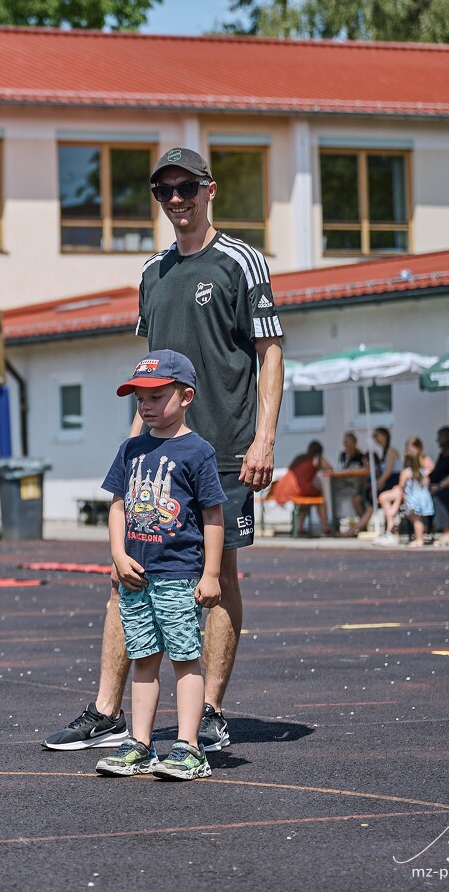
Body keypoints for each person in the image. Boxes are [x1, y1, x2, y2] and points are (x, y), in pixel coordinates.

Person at [42, 146, 283, 755]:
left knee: (218, 575)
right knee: (126, 572)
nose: (176, 199)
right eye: (164, 191)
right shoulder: (152, 272)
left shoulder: (242, 261)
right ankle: (107, 711)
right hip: (155, 453)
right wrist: (131, 448)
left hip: (225, 449)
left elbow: (270, 353)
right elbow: (150, 372)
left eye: (186, 188)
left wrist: (264, 438)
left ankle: (210, 712)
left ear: (210, 190)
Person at [94, 351, 224, 781]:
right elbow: (118, 505)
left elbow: (213, 516)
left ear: (186, 397)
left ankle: (189, 748)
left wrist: (210, 574)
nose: (145, 405)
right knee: (144, 659)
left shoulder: (198, 452)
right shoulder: (131, 449)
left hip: (178, 576)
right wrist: (118, 555)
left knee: (185, 659)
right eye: (140, 398)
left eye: (156, 396)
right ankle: (140, 744)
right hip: (137, 579)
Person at [269, 441, 331, 537]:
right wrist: (322, 459)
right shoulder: (316, 459)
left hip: (283, 487)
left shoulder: (301, 458)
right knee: (319, 497)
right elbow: (330, 470)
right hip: (298, 488)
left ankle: (299, 528)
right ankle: (325, 527)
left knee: (307, 501)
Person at [398, 437, 436, 547]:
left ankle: (419, 539)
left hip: (413, 500)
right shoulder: (423, 472)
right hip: (424, 499)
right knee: (418, 519)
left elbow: (401, 486)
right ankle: (422, 532)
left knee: (416, 520)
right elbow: (427, 483)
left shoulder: (406, 472)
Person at [368, 427, 400, 534]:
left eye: (376, 435)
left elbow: (388, 472)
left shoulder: (391, 451)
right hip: (388, 482)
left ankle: (390, 527)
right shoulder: (383, 452)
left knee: (376, 496)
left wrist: (376, 485)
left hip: (393, 482)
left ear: (385, 436)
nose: (375, 438)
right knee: (367, 496)